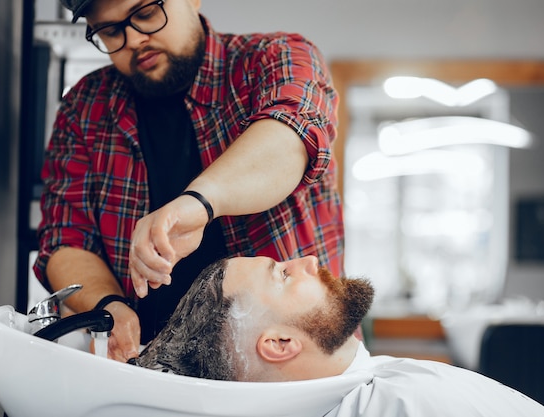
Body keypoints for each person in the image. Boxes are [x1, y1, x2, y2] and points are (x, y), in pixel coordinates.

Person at [34, 0, 344, 363]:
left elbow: (292, 137)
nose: (133, 39)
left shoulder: (274, 57)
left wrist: (198, 203)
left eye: (146, 14)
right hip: (148, 368)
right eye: (110, 31)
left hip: (291, 364)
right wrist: (108, 308)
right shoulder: (85, 107)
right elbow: (64, 240)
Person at [131, 256, 544, 417]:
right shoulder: (411, 403)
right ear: (279, 345)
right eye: (282, 274)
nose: (309, 259)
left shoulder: (392, 392)